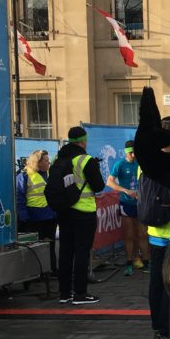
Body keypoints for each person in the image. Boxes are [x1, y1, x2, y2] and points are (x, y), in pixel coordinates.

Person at [140, 117, 170, 339]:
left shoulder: (147, 160)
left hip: (154, 230)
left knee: (157, 281)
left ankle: (159, 328)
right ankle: (167, 330)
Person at [56, 126, 105, 304]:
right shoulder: (86, 160)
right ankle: (80, 293)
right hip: (83, 211)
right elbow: (98, 186)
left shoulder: (59, 158)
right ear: (83, 141)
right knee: (82, 251)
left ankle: (64, 293)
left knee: (66, 251)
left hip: (63, 210)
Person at [107, 140, 150, 276]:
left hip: (141, 203)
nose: (133, 155)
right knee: (129, 234)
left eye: (135, 152)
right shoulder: (120, 164)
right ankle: (129, 263)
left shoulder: (141, 164)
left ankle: (146, 262)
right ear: (126, 153)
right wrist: (125, 190)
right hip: (126, 203)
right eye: (131, 153)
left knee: (143, 233)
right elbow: (109, 182)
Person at [16, 149, 57, 275]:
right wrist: (23, 215)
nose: (48, 162)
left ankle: (52, 269)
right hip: (34, 217)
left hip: (50, 215)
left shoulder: (48, 173)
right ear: (37, 162)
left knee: (50, 245)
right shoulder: (24, 175)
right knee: (37, 247)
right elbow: (19, 196)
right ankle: (38, 272)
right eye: (45, 160)